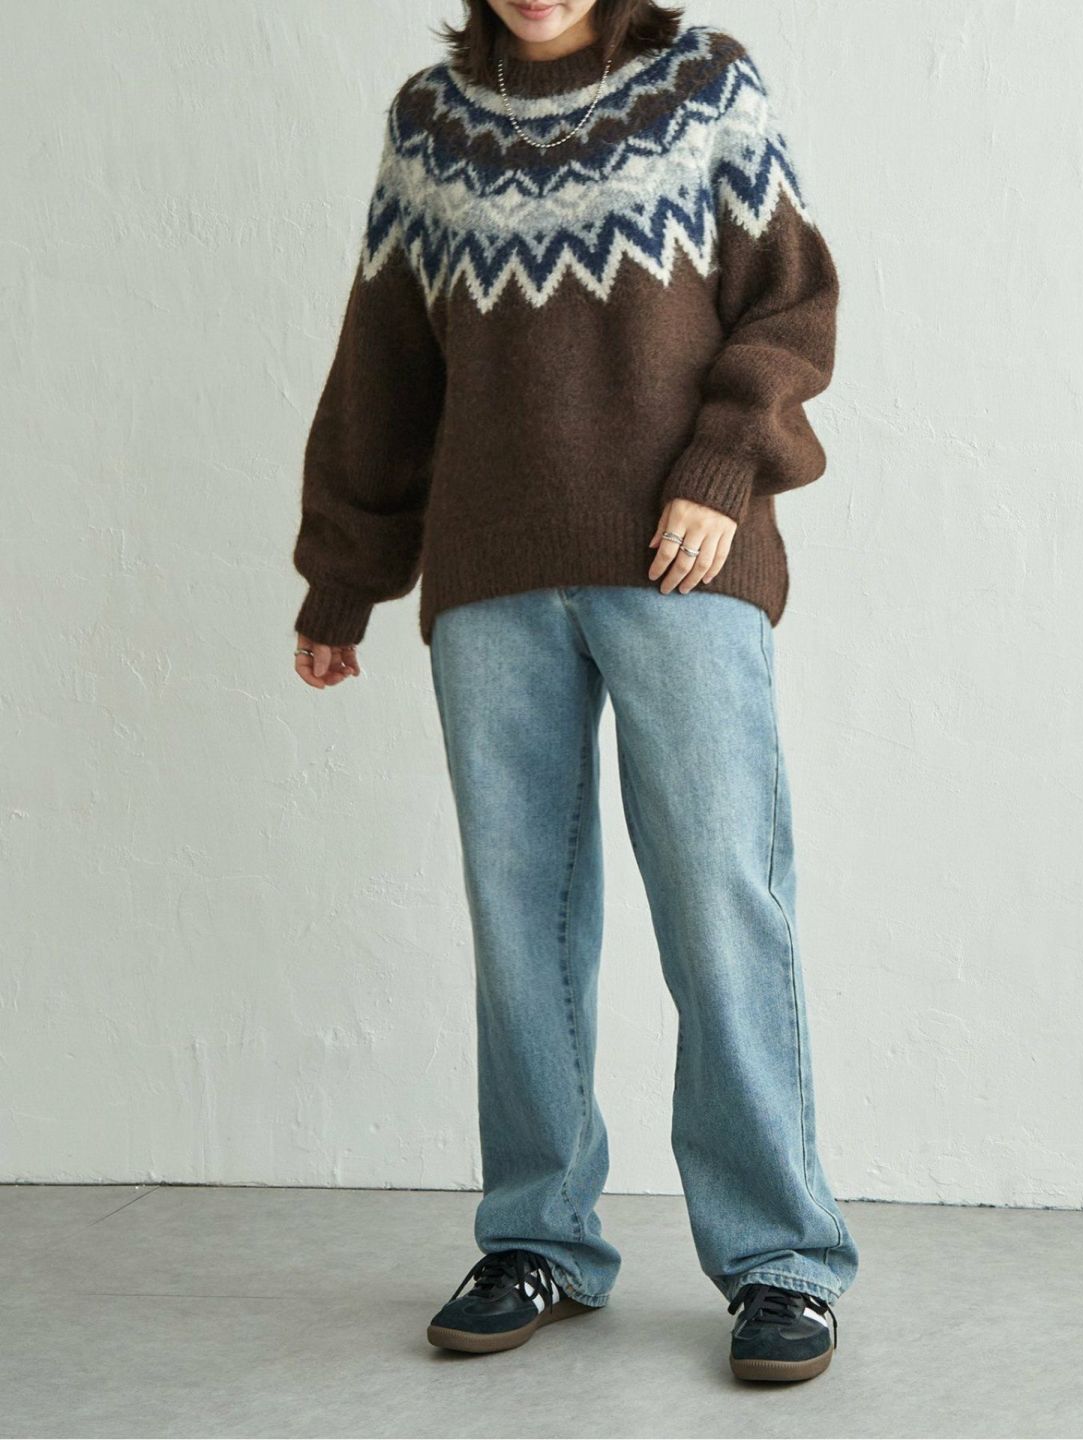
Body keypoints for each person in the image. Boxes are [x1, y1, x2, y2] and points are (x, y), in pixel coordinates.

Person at [290, 0, 859, 1384]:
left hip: (682, 562)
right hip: (491, 573)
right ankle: (537, 1235)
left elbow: (790, 303)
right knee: (522, 919)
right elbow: (385, 365)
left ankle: (781, 1259)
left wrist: (723, 470)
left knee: (721, 898)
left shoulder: (702, 85)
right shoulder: (431, 128)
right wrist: (344, 577)